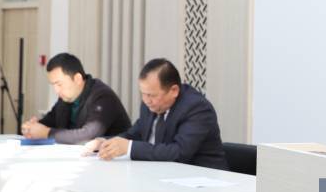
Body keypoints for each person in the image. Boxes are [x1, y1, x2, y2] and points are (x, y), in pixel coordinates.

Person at [89, 58, 228, 170]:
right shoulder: (150, 104)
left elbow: (179, 152)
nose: (146, 100)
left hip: (202, 181)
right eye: (143, 94)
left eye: (151, 95)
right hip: (162, 176)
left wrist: (129, 148)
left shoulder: (196, 108)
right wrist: (106, 142)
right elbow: (135, 134)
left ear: (174, 91)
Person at [21, 53, 131, 144]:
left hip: (114, 161)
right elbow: (49, 122)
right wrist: (31, 127)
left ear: (78, 79)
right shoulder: (66, 97)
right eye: (53, 85)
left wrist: (46, 133)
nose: (56, 90)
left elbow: (87, 136)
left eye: (59, 84)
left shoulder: (103, 97)